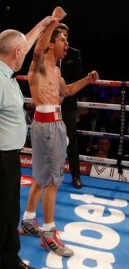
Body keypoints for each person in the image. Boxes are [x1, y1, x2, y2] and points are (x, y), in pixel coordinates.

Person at [0, 8, 62, 269]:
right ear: (16, 53)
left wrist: (44, 22)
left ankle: (9, 259)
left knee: (9, 215)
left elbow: (23, 42)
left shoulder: (4, 67)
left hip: (9, 156)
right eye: (23, 50)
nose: (26, 51)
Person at [19, 8, 99, 256]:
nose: (67, 44)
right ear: (51, 43)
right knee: (53, 182)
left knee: (42, 179)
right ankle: (48, 233)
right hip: (47, 125)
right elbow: (37, 49)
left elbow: (66, 92)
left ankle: (28, 220)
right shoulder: (40, 65)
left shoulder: (55, 72)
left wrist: (86, 80)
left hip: (52, 124)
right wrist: (53, 22)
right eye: (62, 40)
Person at [57, 23, 84, 189]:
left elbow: (77, 79)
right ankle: (50, 175)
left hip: (67, 105)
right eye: (60, 35)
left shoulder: (74, 54)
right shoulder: (47, 54)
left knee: (71, 140)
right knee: (50, 140)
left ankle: (76, 175)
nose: (64, 38)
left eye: (66, 35)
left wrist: (63, 94)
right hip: (50, 104)